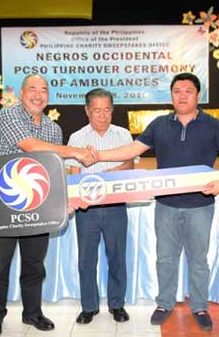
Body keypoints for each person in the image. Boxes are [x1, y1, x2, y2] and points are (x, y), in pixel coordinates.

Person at [95, 72, 219, 331]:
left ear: (198, 95)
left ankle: (199, 306)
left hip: (201, 206)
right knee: (165, 258)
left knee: (198, 260)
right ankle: (164, 303)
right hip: (166, 206)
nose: (182, 95)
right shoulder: (159, 124)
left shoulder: (213, 125)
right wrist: (98, 156)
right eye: (177, 91)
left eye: (188, 91)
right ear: (171, 95)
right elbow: (131, 150)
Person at [0, 74, 94, 337]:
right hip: (4, 205)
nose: (38, 94)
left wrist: (62, 202)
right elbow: (31, 147)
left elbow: (53, 171)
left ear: (48, 96)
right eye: (32, 89)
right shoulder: (9, 116)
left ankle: (32, 313)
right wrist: (76, 151)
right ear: (22, 94)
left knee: (34, 265)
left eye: (43, 90)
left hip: (38, 206)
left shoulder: (53, 129)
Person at [65, 88, 135, 324]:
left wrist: (105, 176)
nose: (103, 115)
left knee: (117, 257)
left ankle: (117, 304)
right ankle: (89, 307)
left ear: (112, 110)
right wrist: (76, 197)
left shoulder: (123, 135)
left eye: (107, 110)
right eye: (97, 110)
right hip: (87, 209)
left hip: (116, 205)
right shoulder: (76, 138)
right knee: (86, 260)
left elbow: (130, 165)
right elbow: (74, 174)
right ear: (87, 111)